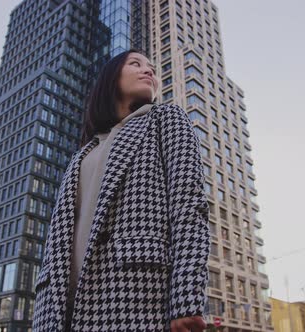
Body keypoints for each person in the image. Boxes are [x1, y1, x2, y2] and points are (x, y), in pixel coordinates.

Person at [31, 49, 210, 332]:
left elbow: (189, 207)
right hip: (61, 309)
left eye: (151, 67)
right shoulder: (83, 153)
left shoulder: (166, 120)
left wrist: (186, 298)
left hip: (135, 295)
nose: (148, 70)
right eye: (136, 63)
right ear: (111, 78)